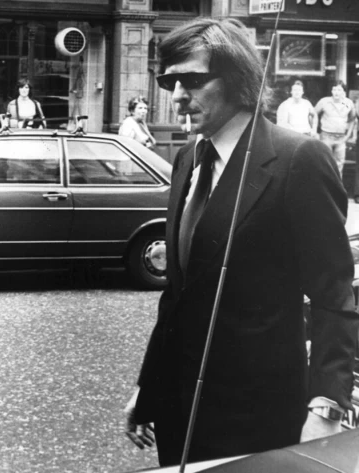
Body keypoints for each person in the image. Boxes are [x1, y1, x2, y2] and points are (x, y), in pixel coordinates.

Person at [124, 17, 358, 467]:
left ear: (236, 79)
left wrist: (325, 409)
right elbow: (178, 295)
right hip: (178, 410)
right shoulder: (187, 158)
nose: (177, 96)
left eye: (192, 80)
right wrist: (147, 385)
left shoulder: (298, 159)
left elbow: (333, 295)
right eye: (169, 81)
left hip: (260, 415)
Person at [315, 80, 356, 177]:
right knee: (325, 165)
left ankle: (337, 190)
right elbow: (313, 114)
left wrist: (347, 135)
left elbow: (352, 119)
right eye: (334, 89)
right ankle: (323, 190)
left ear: (343, 92)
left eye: (339, 90)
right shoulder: (324, 101)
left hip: (341, 139)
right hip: (326, 137)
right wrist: (315, 132)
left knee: (339, 166)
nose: (336, 92)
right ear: (331, 91)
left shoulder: (347, 103)